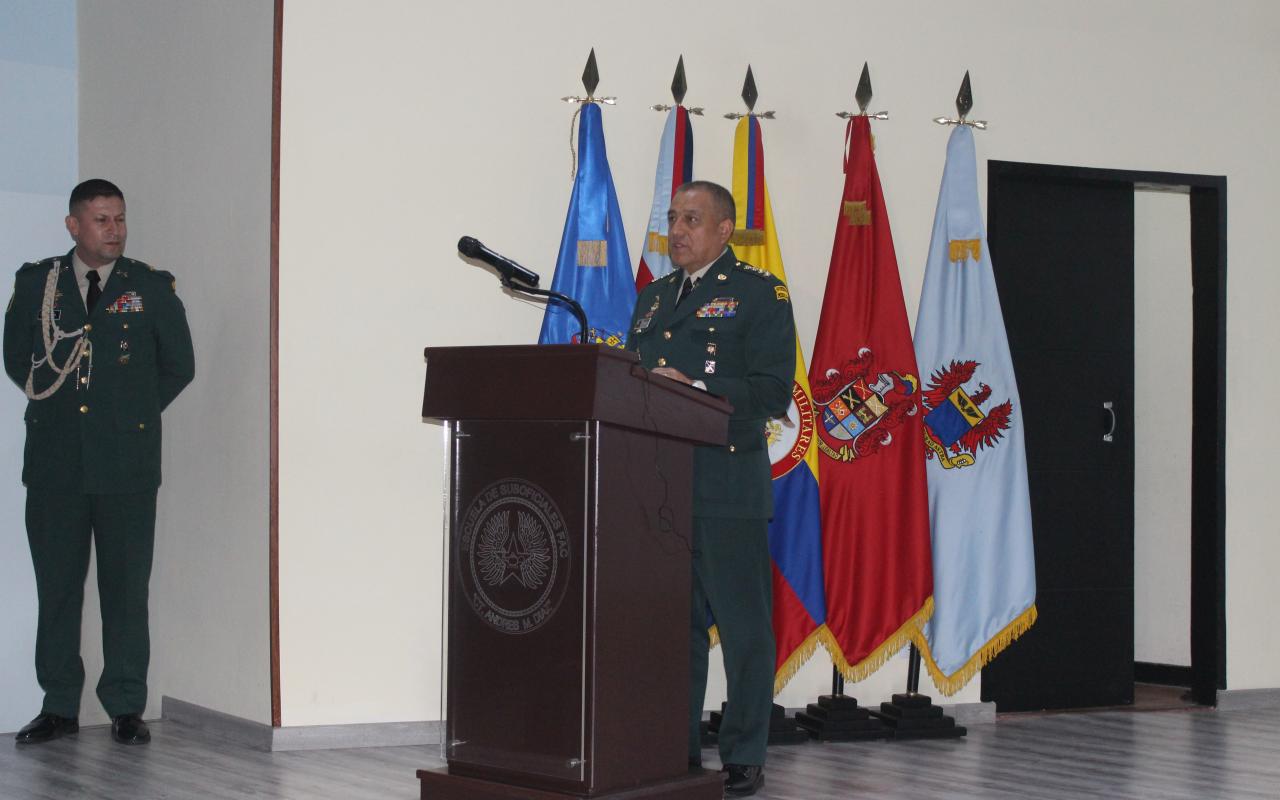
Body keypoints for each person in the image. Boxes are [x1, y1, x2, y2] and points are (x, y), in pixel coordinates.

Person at [3, 178, 194, 746]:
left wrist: (125, 416)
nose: (115, 231)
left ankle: (126, 706)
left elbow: (178, 365)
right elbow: (18, 358)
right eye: (102, 220)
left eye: (120, 219)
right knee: (58, 588)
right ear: (73, 225)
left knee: (125, 590)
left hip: (127, 468)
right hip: (56, 465)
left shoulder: (150, 288)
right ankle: (59, 704)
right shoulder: (38, 283)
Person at [625, 180, 794, 797]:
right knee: (676, 629)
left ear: (724, 230)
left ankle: (745, 753)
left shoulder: (759, 294)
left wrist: (693, 391)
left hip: (726, 485)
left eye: (691, 219)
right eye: (673, 218)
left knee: (745, 629)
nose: (677, 230)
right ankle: (676, 747)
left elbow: (773, 391)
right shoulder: (653, 298)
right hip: (661, 485)